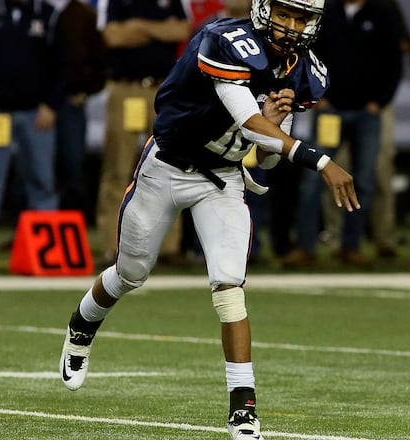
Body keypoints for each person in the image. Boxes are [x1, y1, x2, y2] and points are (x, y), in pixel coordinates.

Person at [58, 2, 359, 440]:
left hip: (221, 179)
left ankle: (243, 408)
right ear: (262, 7)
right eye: (284, 12)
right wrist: (319, 159)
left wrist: (278, 127)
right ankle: (82, 324)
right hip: (166, 168)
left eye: (300, 17)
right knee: (130, 273)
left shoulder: (303, 72)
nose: (291, 25)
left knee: (229, 285)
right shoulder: (225, 41)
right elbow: (247, 119)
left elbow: (266, 157)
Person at [282, 0, 406, 268]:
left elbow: (394, 62)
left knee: (363, 181)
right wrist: (319, 98)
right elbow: (307, 54)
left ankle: (351, 247)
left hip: (367, 114)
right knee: (314, 179)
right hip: (331, 112)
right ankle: (306, 247)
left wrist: (379, 103)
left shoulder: (383, 13)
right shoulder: (326, 12)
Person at [95, 0, 190, 267]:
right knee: (118, 168)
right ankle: (112, 247)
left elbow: (182, 30)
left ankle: (169, 247)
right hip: (126, 89)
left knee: (171, 167)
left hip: (163, 90)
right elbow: (112, 36)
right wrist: (160, 30)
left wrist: (137, 27)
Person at [0, 0, 65, 233]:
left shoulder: (48, 15)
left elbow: (61, 63)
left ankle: (46, 244)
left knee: (41, 179)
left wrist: (51, 105)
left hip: (37, 113)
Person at [51, 0, 107, 216]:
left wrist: (85, 90)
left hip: (70, 101)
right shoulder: (34, 10)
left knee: (72, 166)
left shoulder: (84, 14)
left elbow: (100, 61)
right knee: (34, 169)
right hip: (34, 103)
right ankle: (28, 227)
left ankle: (71, 226)